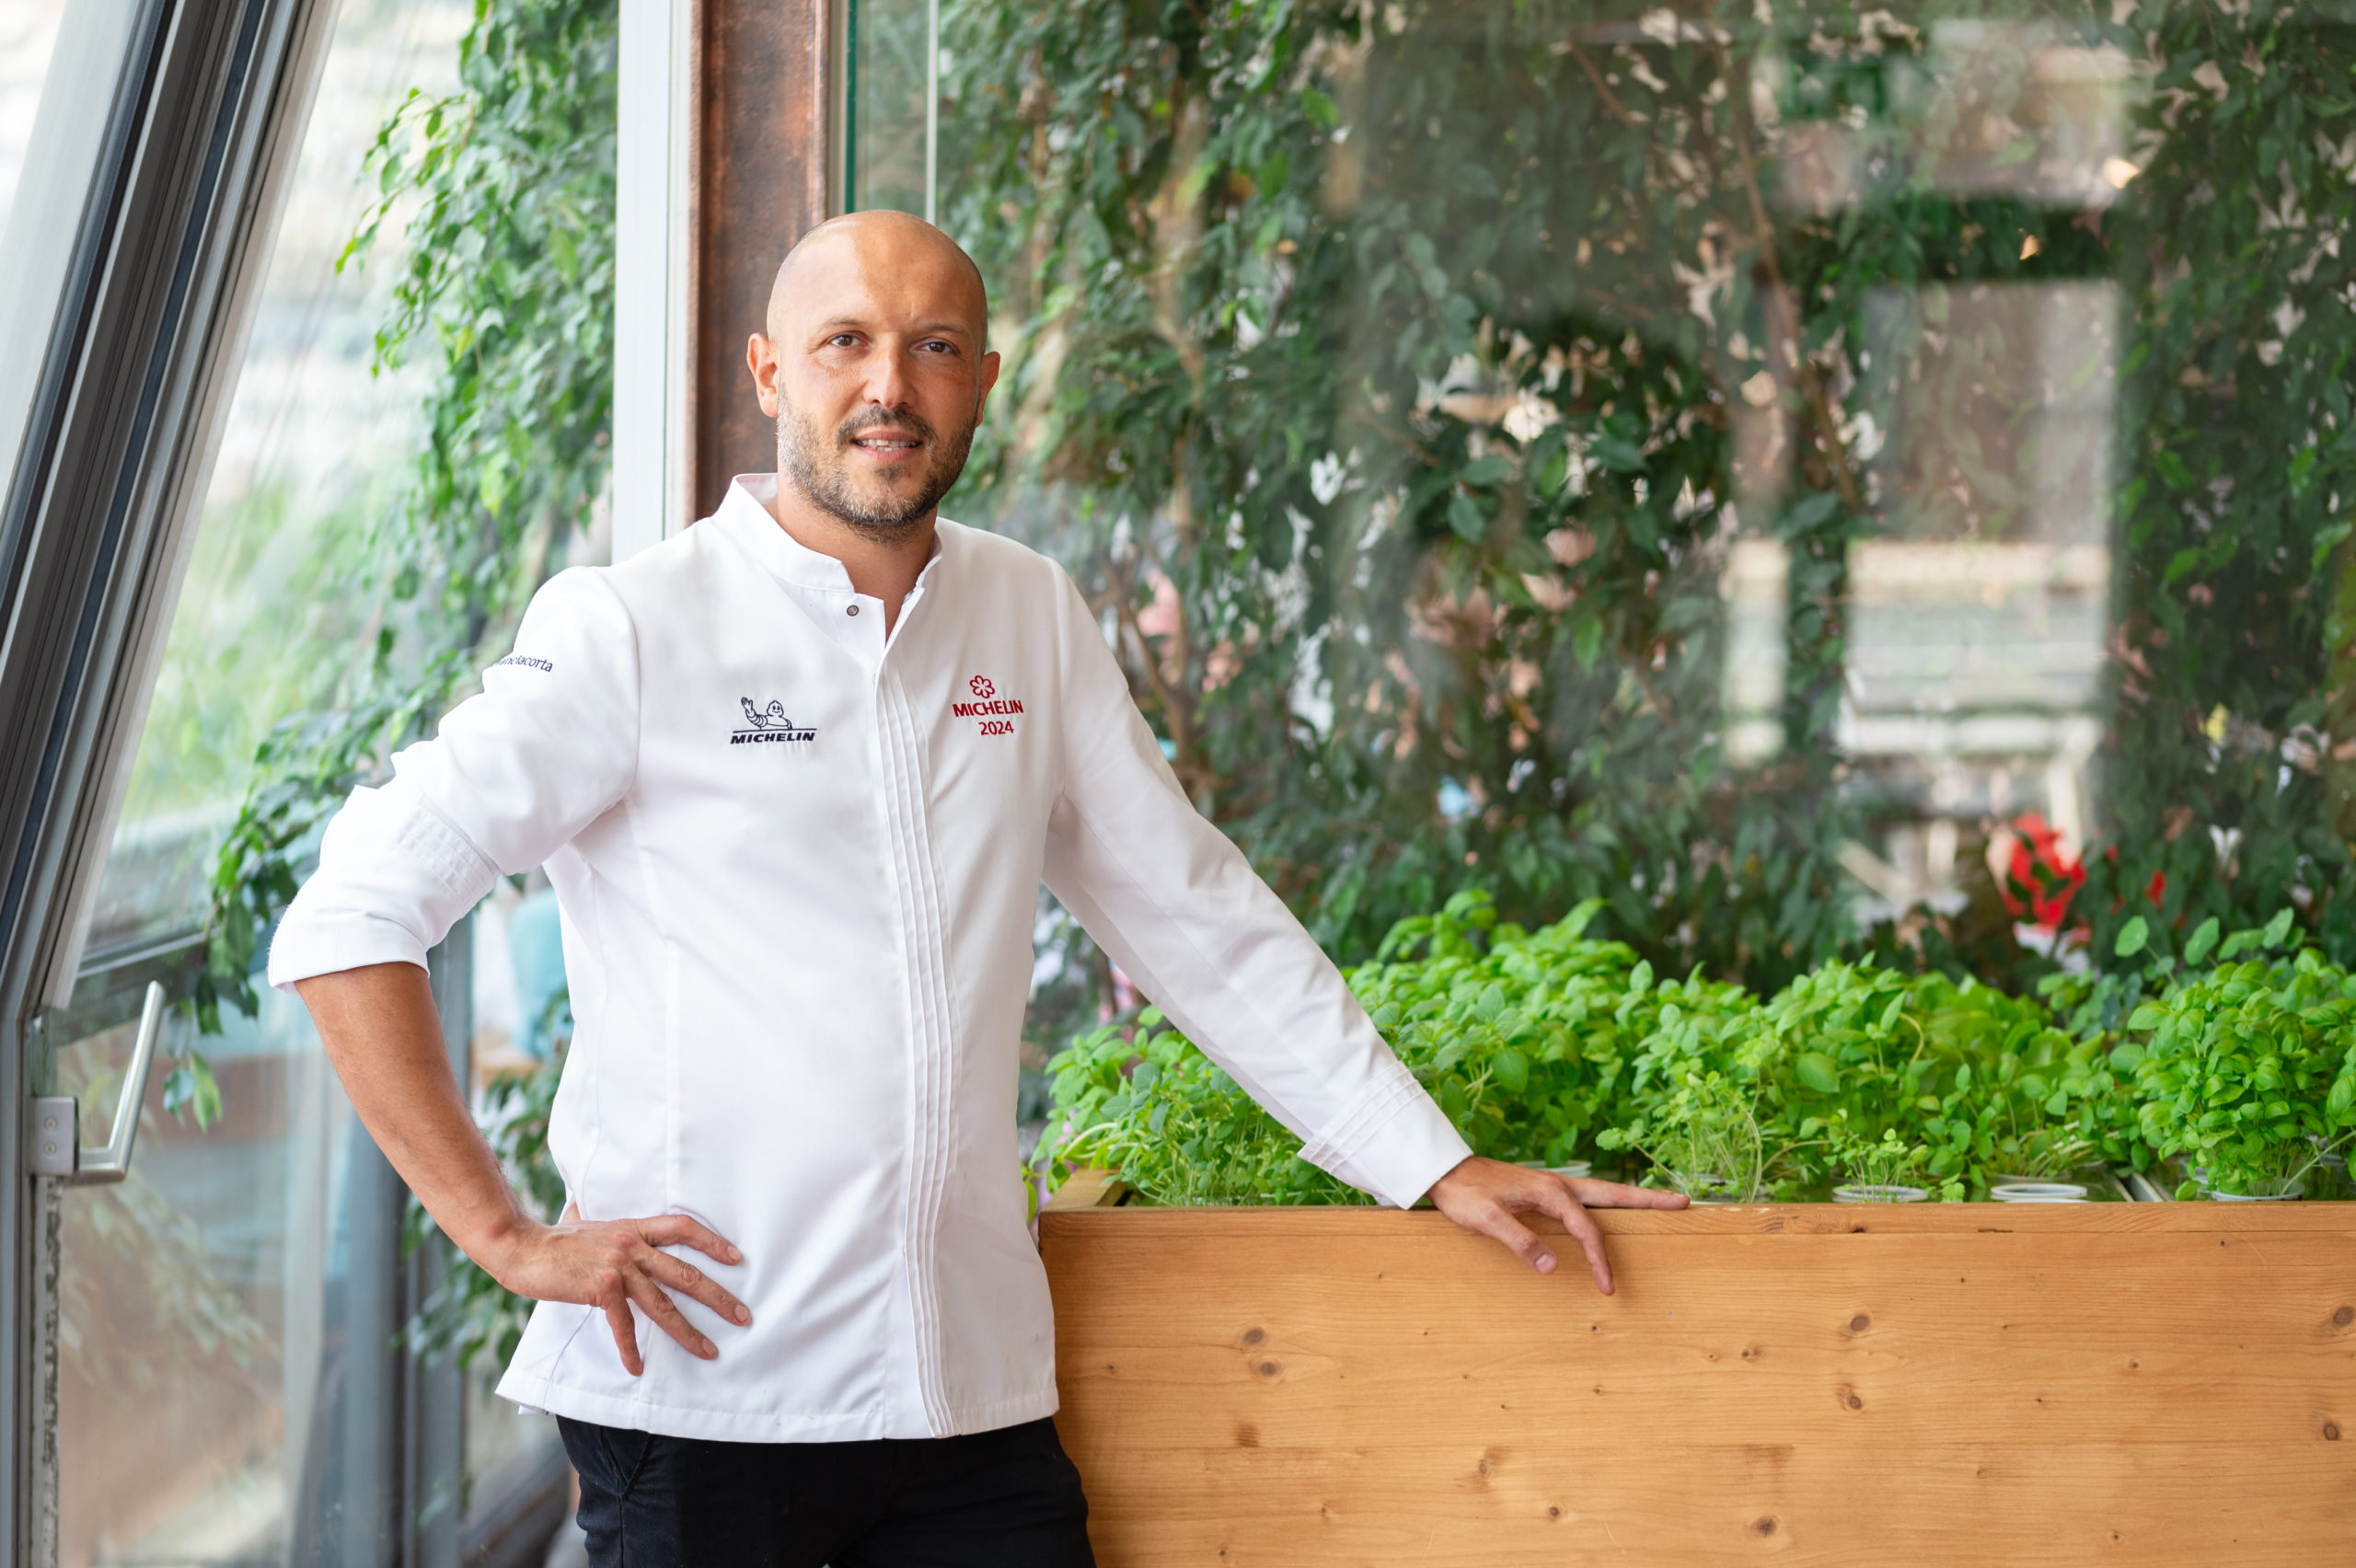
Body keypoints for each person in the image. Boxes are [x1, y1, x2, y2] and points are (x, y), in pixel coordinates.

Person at [273, 211, 1684, 1568]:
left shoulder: (1029, 614)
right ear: (770, 370)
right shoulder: (632, 625)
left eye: (936, 347)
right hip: (706, 1398)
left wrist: (1426, 1161)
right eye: (845, 343)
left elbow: (1195, 917)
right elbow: (353, 919)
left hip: (966, 1390)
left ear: (985, 383)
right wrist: (505, 1234)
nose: (890, 384)